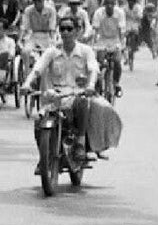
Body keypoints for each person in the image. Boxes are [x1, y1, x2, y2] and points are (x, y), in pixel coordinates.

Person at [23, 14, 102, 166]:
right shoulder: (52, 51)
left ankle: (79, 143)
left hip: (76, 93)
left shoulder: (86, 51)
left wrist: (91, 86)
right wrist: (27, 84)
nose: (65, 32)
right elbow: (37, 69)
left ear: (77, 31)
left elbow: (93, 70)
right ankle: (43, 157)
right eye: (63, 29)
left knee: (83, 103)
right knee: (39, 122)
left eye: (69, 29)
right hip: (54, 95)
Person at [90, 0, 127, 96]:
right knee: (100, 63)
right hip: (102, 41)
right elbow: (95, 30)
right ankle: (98, 83)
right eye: (107, 3)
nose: (109, 6)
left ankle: (116, 84)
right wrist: (94, 44)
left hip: (115, 40)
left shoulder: (120, 13)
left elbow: (121, 31)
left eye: (112, 3)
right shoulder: (98, 13)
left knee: (117, 62)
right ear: (104, 4)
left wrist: (122, 44)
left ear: (115, 4)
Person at [20, 0, 58, 72]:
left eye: (39, 0)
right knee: (25, 52)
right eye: (34, 0)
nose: (36, 2)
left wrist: (53, 41)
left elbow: (52, 28)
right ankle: (27, 75)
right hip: (34, 36)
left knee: (52, 53)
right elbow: (24, 28)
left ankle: (50, 76)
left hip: (47, 36)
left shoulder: (51, 10)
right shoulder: (28, 10)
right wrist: (20, 40)